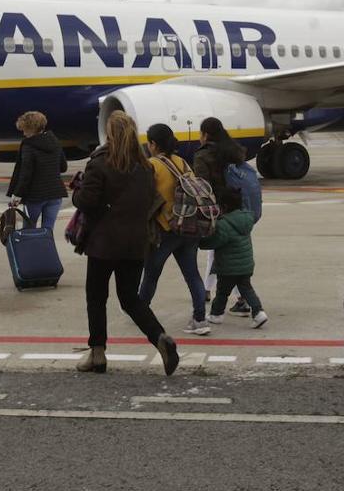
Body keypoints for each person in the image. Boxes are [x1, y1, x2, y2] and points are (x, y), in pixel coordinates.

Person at [71, 110, 179, 376]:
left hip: (103, 243)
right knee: (130, 298)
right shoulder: (144, 166)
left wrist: (77, 192)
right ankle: (159, 337)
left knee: (96, 297)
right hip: (135, 242)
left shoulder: (100, 163)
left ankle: (97, 354)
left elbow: (87, 202)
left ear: (109, 134)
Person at [138, 123, 210, 336]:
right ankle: (200, 319)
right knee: (192, 274)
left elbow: (145, 196)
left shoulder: (152, 165)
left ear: (153, 144)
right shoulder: (183, 162)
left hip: (165, 229)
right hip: (188, 227)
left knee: (151, 273)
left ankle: (140, 312)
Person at [192, 117, 251, 313]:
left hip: (217, 209)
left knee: (224, 254)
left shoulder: (203, 156)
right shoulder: (233, 151)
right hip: (236, 205)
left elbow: (202, 186)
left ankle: (244, 297)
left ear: (205, 135)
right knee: (219, 251)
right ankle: (208, 288)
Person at [199, 189, 268, 328]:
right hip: (245, 265)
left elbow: (214, 242)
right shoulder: (245, 219)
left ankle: (216, 314)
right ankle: (259, 312)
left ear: (224, 207)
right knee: (247, 289)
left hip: (228, 268)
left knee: (222, 292)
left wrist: (200, 242)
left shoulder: (223, 224)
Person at [6, 111, 67, 233]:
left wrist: (17, 195)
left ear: (30, 128)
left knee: (29, 230)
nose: (23, 133)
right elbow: (63, 167)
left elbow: (26, 175)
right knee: (48, 231)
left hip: (35, 196)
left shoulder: (29, 146)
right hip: (55, 193)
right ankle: (45, 251)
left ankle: (30, 252)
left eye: (24, 129)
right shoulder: (54, 141)